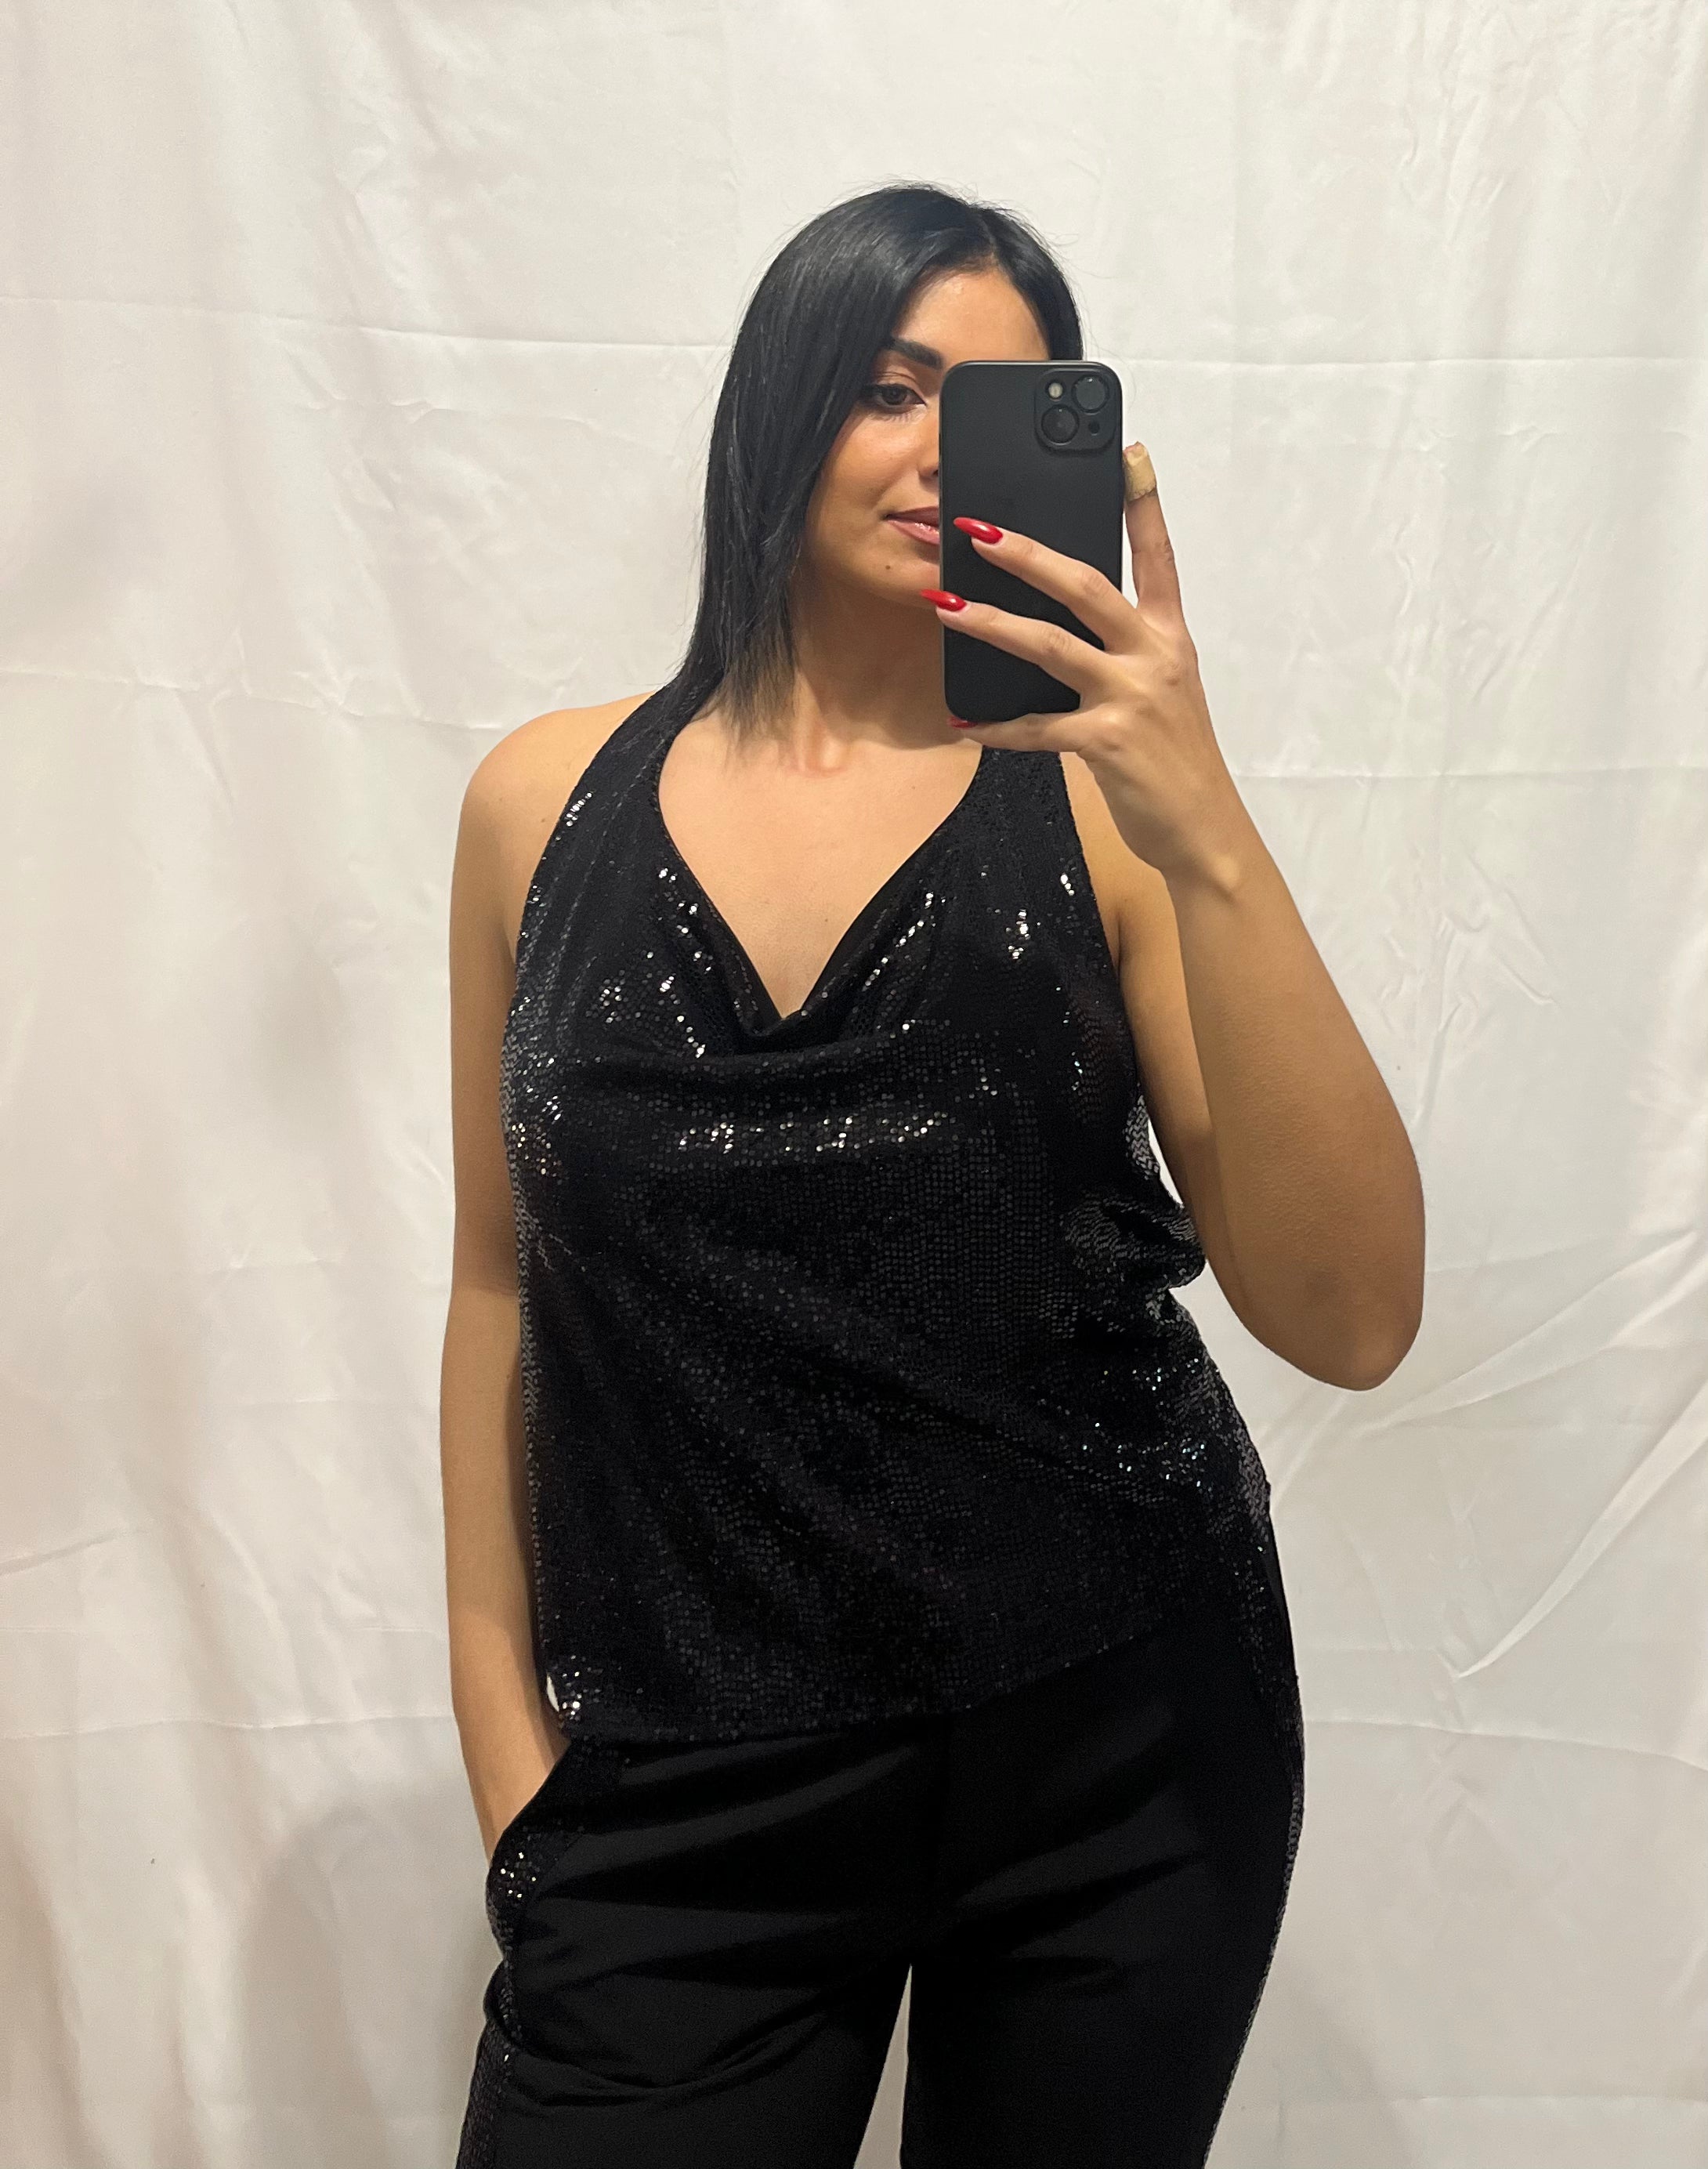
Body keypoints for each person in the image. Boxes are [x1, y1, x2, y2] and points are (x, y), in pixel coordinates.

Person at [440, 183, 1424, 2169]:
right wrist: (509, 1748)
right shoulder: (540, 803)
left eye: (993, 409)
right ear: (779, 405)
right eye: (891, 388)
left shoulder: (1110, 812)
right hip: (682, 1770)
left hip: (1117, 1748)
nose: (932, 453)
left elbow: (1352, 1319)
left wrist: (1205, 818)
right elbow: (499, 1278)